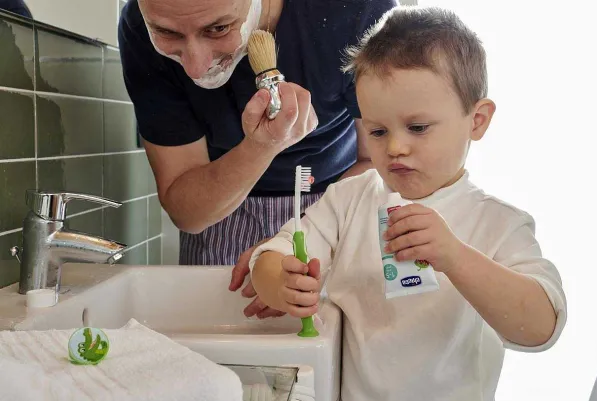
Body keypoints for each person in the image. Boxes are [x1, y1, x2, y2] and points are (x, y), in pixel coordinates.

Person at [249, 6, 567, 400]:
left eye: (417, 127)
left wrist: (454, 256)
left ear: (477, 120)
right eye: (378, 131)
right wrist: (282, 283)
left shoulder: (497, 224)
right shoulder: (349, 199)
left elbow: (541, 328)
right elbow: (270, 256)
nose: (396, 147)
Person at [118, 0, 397, 318]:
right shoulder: (139, 24)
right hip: (218, 216)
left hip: (337, 207)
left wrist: (303, 236)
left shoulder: (358, 8)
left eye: (218, 28)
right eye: (167, 33)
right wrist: (261, 148)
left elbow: (380, 164)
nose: (195, 67)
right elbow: (187, 213)